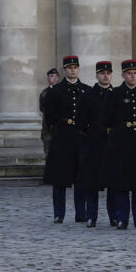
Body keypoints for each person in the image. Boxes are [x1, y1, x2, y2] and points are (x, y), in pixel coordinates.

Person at [41, 55, 93, 223]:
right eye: (69, 68)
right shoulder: (55, 91)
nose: (72, 70)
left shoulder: (87, 90)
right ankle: (59, 213)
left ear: (78, 69)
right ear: (64, 70)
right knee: (59, 178)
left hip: (80, 137)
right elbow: (49, 116)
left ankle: (81, 213)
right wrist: (57, 131)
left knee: (81, 178)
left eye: (75, 67)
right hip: (62, 137)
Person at [105, 59, 136, 228]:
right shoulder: (115, 94)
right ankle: (122, 218)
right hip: (122, 142)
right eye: (129, 73)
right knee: (121, 182)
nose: (132, 76)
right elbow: (107, 118)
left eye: (135, 73)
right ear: (123, 75)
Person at [78, 61, 115, 227]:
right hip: (94, 141)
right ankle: (91, 215)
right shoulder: (88, 95)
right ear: (97, 75)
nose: (105, 75)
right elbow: (80, 121)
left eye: (108, 73)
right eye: (102, 73)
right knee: (91, 182)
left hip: (112, 142)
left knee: (113, 182)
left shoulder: (117, 94)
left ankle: (114, 215)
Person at [39, 67, 60, 161]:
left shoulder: (61, 91)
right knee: (48, 151)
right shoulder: (44, 93)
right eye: (49, 76)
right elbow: (42, 108)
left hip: (59, 126)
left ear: (57, 78)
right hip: (47, 127)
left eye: (52, 76)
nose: (50, 78)